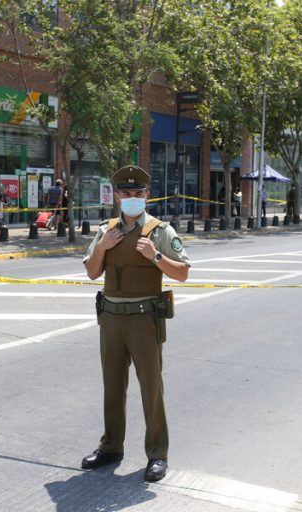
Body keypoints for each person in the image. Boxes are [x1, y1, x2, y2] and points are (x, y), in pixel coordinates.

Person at [81, 164, 190, 483]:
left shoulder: (160, 232)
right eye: (126, 193)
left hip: (144, 319)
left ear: (147, 196)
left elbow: (182, 272)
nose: (131, 198)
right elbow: (91, 272)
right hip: (111, 319)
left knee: (151, 389)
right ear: (116, 196)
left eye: (137, 193)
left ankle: (158, 454)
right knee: (112, 387)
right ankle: (111, 447)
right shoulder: (106, 230)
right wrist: (103, 247)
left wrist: (156, 256)